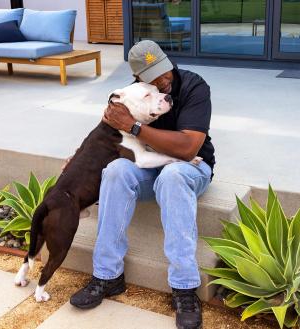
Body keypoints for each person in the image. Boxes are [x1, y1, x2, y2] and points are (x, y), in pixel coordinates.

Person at [70, 40, 215, 329]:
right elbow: (104, 136)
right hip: (150, 167)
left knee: (173, 176)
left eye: (165, 70)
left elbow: (188, 148)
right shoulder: (132, 96)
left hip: (192, 168)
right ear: (138, 78)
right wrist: (75, 158)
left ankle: (184, 288)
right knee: (114, 171)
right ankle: (107, 275)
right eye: (153, 77)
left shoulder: (194, 87)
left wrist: (133, 126)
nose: (163, 80)